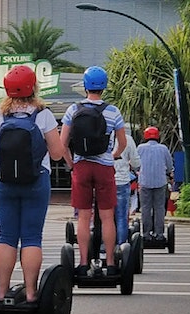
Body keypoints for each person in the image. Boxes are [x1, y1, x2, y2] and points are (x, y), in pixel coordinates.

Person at [0, 65, 64, 303]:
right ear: (34, 87)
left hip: (4, 181)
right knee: (31, 237)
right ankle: (30, 293)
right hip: (36, 181)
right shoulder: (43, 114)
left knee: (6, 236)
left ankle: (1, 292)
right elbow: (58, 153)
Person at [60, 65, 126, 277]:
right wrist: (112, 155)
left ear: (85, 85)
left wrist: (71, 163)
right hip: (104, 167)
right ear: (104, 86)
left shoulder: (73, 110)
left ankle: (82, 262)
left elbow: (62, 144)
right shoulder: (113, 111)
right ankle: (110, 262)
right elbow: (122, 144)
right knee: (107, 217)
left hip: (82, 165)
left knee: (83, 217)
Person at [136, 126, 174, 241]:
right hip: (160, 182)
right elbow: (169, 166)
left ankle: (146, 234)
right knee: (159, 208)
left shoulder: (140, 148)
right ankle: (159, 234)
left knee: (146, 208)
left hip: (145, 182)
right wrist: (167, 172)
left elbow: (136, 165)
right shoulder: (163, 148)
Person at [113, 126, 140, 244]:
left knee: (105, 216)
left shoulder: (100, 138)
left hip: (105, 180)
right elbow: (136, 163)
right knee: (122, 216)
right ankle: (121, 246)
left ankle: (104, 245)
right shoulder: (127, 139)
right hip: (122, 181)